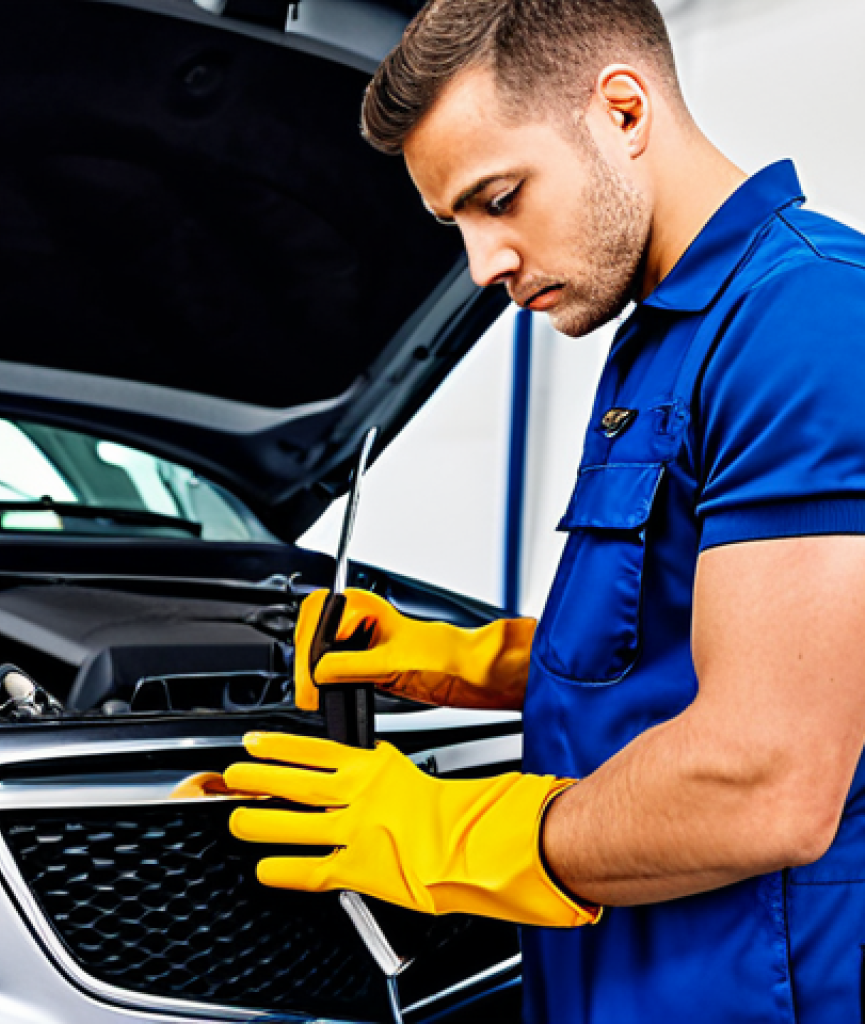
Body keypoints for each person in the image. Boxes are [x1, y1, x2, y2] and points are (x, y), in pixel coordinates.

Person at [222, 1, 865, 1020]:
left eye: (500, 198)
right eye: (458, 225)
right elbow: (682, 640)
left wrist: (445, 827)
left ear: (619, 110)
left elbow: (765, 784)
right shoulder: (660, 337)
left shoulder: (809, 325)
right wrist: (467, 661)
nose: (482, 265)